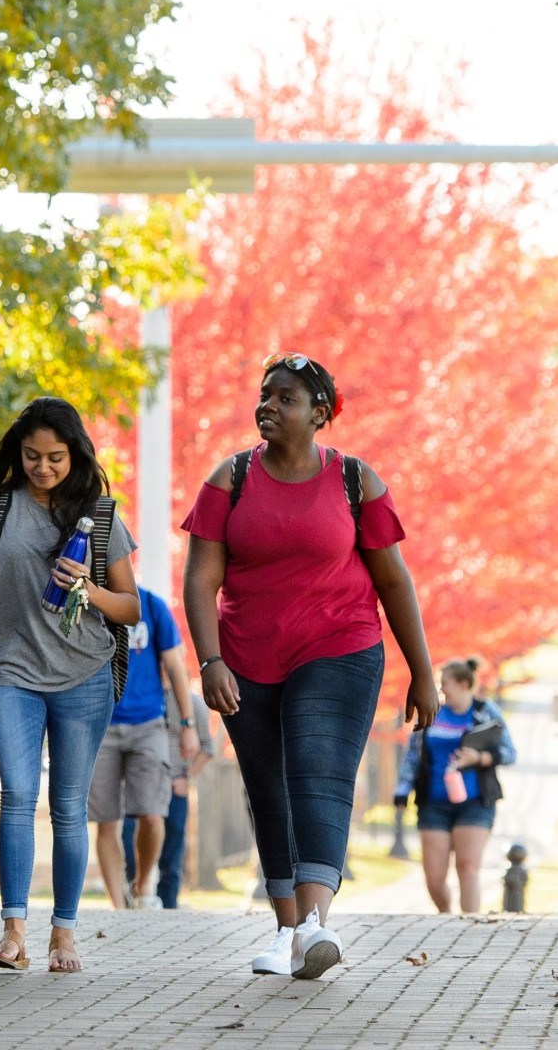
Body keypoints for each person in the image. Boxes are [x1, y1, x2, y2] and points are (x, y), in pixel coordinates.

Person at [183, 352, 437, 980]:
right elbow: (201, 578)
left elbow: (393, 581)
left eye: (286, 398)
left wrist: (422, 672)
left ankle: (316, 924)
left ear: (319, 414)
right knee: (268, 789)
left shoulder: (356, 481)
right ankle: (288, 930)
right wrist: (209, 659)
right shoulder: (230, 479)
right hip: (246, 658)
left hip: (340, 646)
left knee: (318, 773)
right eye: (265, 395)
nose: (267, 405)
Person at [0, 397, 140, 974]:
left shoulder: (100, 516)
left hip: (83, 674)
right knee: (15, 796)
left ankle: (64, 934)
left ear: (75, 454)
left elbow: (130, 608)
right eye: (32, 456)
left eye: (55, 457)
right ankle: (13, 933)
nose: (43, 467)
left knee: (68, 807)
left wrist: (89, 587)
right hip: (10, 671)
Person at [89, 585, 199, 909]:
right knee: (107, 821)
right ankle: (118, 908)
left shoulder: (151, 604)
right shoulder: (85, 598)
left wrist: (187, 726)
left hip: (148, 723)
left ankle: (141, 886)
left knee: (152, 814)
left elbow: (176, 667)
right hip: (100, 725)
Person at [395, 657, 516, 914]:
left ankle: (470, 926)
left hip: (475, 802)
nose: (442, 689)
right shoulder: (433, 711)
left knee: (468, 867)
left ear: (463, 684)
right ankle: (446, 918)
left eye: (445, 684)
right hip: (433, 803)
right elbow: (413, 755)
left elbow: (509, 752)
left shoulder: (485, 711)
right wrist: (402, 789)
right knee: (435, 879)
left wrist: (480, 758)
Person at [124, 691, 216, 909]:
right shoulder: (141, 697)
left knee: (172, 853)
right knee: (129, 840)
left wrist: (188, 778)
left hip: (175, 784)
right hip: (142, 784)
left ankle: (169, 907)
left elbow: (207, 748)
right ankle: (134, 896)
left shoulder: (193, 704)